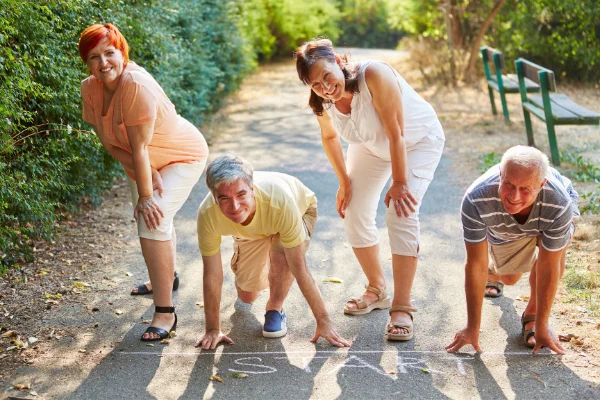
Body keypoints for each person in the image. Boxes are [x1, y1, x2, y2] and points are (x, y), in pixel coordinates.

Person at [294, 39, 445, 341]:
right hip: (370, 144)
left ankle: (402, 307)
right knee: (353, 209)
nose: (325, 87)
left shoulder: (374, 74)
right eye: (316, 84)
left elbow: (396, 132)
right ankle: (377, 289)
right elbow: (331, 139)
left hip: (415, 141)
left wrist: (400, 182)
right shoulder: (321, 101)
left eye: (327, 76)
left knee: (400, 213)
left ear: (337, 60)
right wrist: (344, 182)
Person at [78, 23, 209, 341]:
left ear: (121, 53)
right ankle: (166, 277)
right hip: (144, 161)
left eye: (110, 53)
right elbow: (111, 144)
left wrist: (147, 195)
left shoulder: (135, 83)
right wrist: (146, 175)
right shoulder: (90, 88)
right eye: (94, 57)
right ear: (87, 63)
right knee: (155, 223)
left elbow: (138, 147)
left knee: (153, 219)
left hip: (182, 155)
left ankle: (165, 312)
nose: (103, 62)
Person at [195, 153, 351, 349]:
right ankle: (252, 253)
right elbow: (212, 273)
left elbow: (299, 268)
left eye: (241, 194)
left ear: (252, 190)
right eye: (224, 198)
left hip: (297, 210)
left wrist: (324, 321)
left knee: (283, 257)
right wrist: (212, 329)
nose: (234, 206)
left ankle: (274, 309)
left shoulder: (279, 201)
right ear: (214, 198)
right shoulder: (207, 214)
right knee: (247, 296)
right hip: (254, 228)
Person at [446, 146, 579, 354]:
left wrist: (543, 325)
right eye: (508, 184)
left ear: (542, 184)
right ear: (501, 175)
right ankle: (495, 272)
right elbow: (475, 263)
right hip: (504, 224)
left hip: (548, 214)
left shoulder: (559, 203)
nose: (515, 196)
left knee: (553, 256)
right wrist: (472, 327)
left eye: (525, 188)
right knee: (509, 278)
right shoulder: (477, 199)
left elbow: (548, 265)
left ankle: (533, 318)